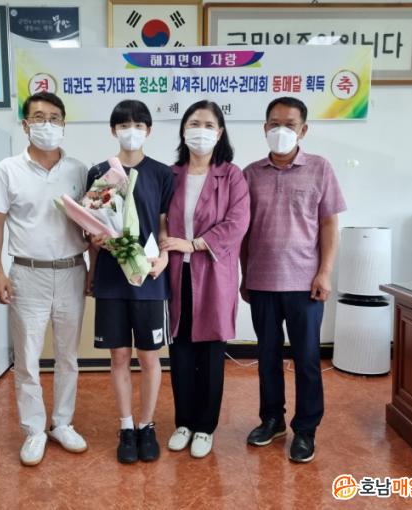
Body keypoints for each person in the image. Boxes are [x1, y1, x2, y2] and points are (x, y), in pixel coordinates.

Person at [241, 97, 346, 463]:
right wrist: (245, 275)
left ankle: (306, 429)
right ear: (264, 128)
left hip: (305, 284)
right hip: (262, 282)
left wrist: (325, 272)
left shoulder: (320, 168)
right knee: (267, 357)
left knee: (307, 359)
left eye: (289, 124)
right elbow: (243, 233)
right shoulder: (250, 174)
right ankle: (272, 420)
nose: (280, 130)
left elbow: (329, 224)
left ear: (303, 129)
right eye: (274, 123)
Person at [0, 92, 89, 466]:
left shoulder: (79, 170)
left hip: (72, 271)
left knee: (68, 356)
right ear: (25, 125)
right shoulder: (8, 169)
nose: (48, 124)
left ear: (64, 124)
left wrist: (92, 267)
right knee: (28, 358)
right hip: (27, 274)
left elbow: (93, 222)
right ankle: (33, 430)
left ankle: (62, 423)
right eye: (39, 117)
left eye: (55, 118)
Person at [160, 100, 250, 458]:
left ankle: (205, 426)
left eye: (209, 125)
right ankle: (183, 422)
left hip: (213, 272)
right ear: (183, 130)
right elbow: (159, 217)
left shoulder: (232, 175)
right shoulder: (170, 175)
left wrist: (195, 244)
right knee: (180, 348)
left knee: (211, 350)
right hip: (175, 271)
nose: (201, 130)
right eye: (194, 123)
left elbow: (237, 223)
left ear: (220, 132)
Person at [87, 100, 174, 464]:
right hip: (112, 278)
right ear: (113, 130)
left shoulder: (163, 173)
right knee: (119, 356)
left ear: (148, 131)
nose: (131, 131)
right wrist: (93, 261)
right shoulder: (100, 171)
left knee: (150, 357)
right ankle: (125, 426)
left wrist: (164, 259)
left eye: (138, 125)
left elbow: (165, 225)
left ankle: (146, 425)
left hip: (149, 279)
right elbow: (92, 222)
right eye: (124, 125)